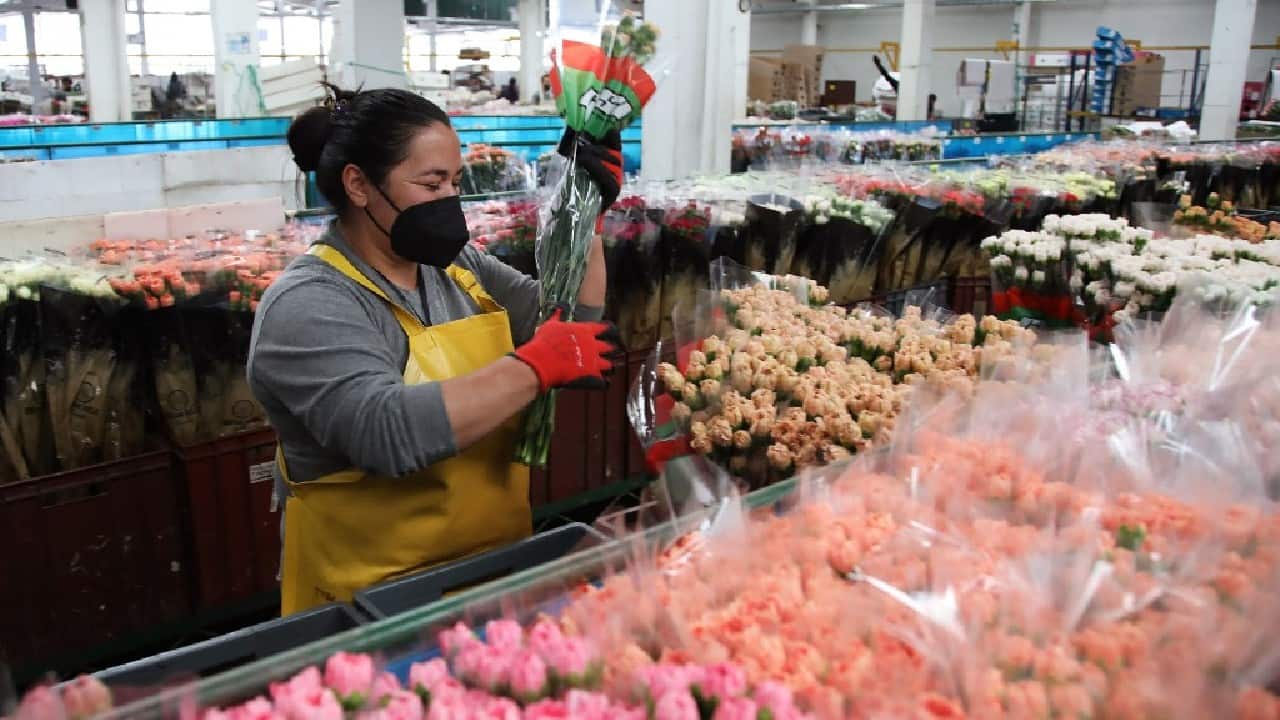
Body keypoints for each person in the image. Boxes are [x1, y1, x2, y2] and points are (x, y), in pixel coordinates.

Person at [249, 86, 624, 614]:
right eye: (432, 183)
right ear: (358, 184)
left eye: (456, 182)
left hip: (491, 580)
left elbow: (569, 322)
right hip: (370, 613)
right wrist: (534, 366)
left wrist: (585, 217)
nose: (450, 199)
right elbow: (386, 432)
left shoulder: (456, 268)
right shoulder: (310, 303)